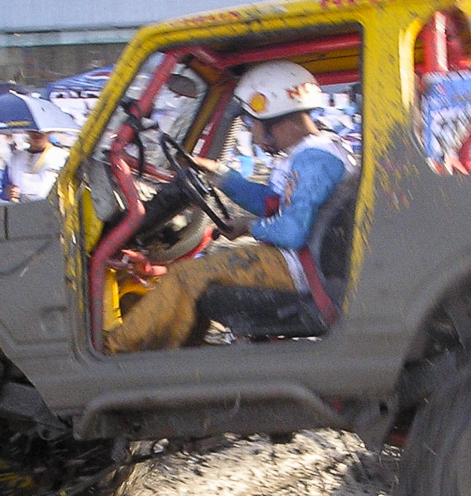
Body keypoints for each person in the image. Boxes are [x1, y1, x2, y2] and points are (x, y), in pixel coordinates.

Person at [105, 60, 357, 354]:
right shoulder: (313, 152)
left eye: (253, 123)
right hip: (304, 259)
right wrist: (221, 176)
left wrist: (249, 227)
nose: (252, 134)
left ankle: (111, 353)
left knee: (185, 277)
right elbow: (272, 203)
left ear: (273, 118)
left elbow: (293, 231)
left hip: (302, 266)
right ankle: (174, 360)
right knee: (196, 280)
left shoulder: (315, 160)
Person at [0, 128, 64, 202]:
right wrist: (8, 192)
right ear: (27, 131)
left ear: (50, 132)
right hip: (21, 208)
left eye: (42, 132)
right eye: (33, 131)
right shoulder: (14, 158)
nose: (37, 134)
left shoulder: (62, 157)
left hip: (51, 207)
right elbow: (5, 188)